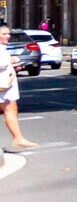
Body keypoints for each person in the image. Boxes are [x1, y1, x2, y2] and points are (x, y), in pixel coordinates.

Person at [0, 23, 37, 152]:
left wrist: (15, 64)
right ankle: (18, 138)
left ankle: (18, 138)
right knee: (10, 109)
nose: (7, 36)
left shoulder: (3, 47)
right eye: (4, 34)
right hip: (2, 84)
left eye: (8, 33)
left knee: (11, 109)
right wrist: (11, 61)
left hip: (5, 85)